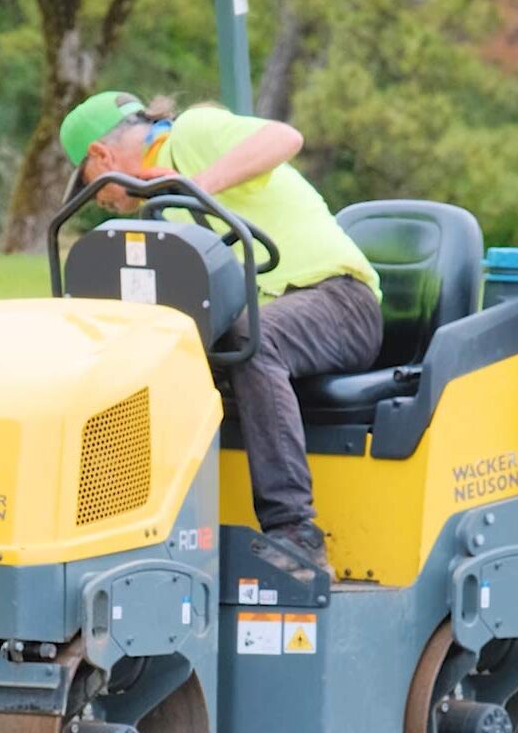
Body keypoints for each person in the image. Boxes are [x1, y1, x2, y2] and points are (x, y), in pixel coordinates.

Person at [59, 91, 382, 577]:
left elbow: (284, 137)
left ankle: (295, 532)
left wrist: (197, 185)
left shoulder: (193, 134)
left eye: (89, 183)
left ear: (101, 158)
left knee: (249, 336)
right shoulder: (158, 207)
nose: (99, 201)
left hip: (341, 302)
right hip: (267, 313)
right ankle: (134, 526)